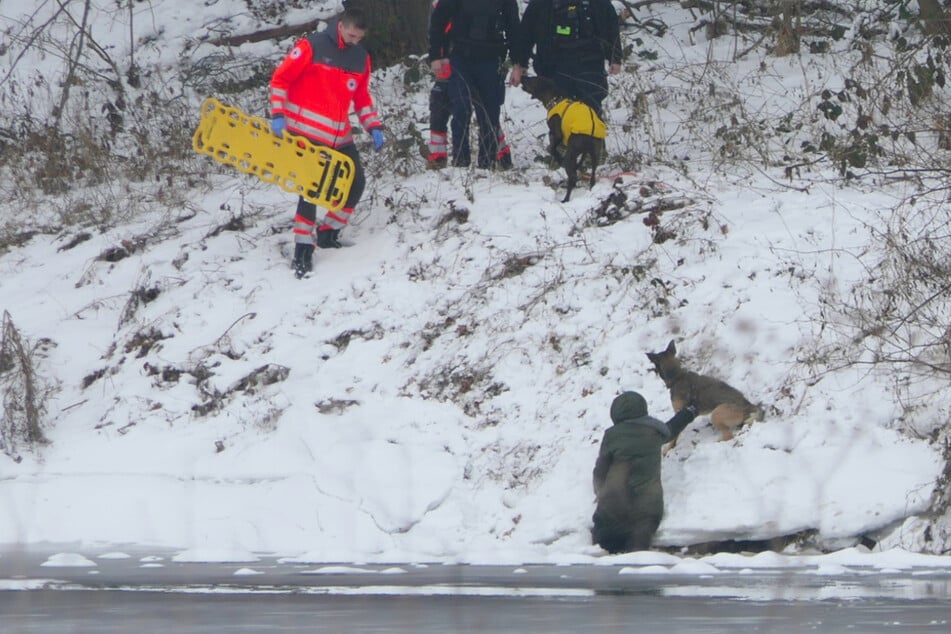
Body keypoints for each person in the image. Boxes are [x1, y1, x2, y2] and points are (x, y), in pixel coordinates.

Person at [269, 8, 385, 279]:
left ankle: (328, 232)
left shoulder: (360, 57)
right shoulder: (312, 46)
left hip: (338, 134)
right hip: (305, 132)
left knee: (356, 182)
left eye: (360, 37)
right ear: (341, 25)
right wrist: (278, 114)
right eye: (352, 35)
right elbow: (280, 79)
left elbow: (362, 98)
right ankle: (302, 248)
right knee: (311, 189)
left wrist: (373, 126)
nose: (355, 40)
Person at [591, 391, 697, 554]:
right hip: (647, 509)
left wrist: (599, 491)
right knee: (638, 552)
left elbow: (601, 469)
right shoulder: (654, 431)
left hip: (614, 507)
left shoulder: (612, 435)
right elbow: (673, 427)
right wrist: (689, 412)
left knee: (605, 544)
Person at [428, 0, 521, 169]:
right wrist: (435, 55)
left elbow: (514, 27)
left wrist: (518, 64)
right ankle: (461, 163)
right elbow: (438, 21)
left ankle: (488, 162)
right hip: (460, 57)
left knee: (490, 112)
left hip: (491, 59)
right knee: (461, 108)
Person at [511, 0, 622, 117]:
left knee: (591, 116)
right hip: (554, 67)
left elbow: (610, 24)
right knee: (560, 117)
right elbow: (527, 31)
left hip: (590, 65)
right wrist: (520, 64)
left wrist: (615, 57)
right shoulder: (542, 3)